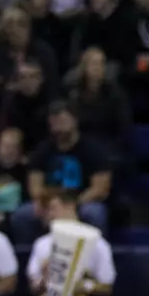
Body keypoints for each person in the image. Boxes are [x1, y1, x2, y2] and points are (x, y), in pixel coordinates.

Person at [21, 102, 114, 239]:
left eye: (63, 121)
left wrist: (73, 205)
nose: (59, 127)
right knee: (23, 215)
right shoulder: (42, 150)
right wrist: (49, 203)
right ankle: (32, 254)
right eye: (55, 123)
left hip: (82, 201)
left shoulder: (93, 149)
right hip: (51, 201)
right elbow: (35, 186)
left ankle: (95, 252)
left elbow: (100, 188)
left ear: (74, 120)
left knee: (94, 212)